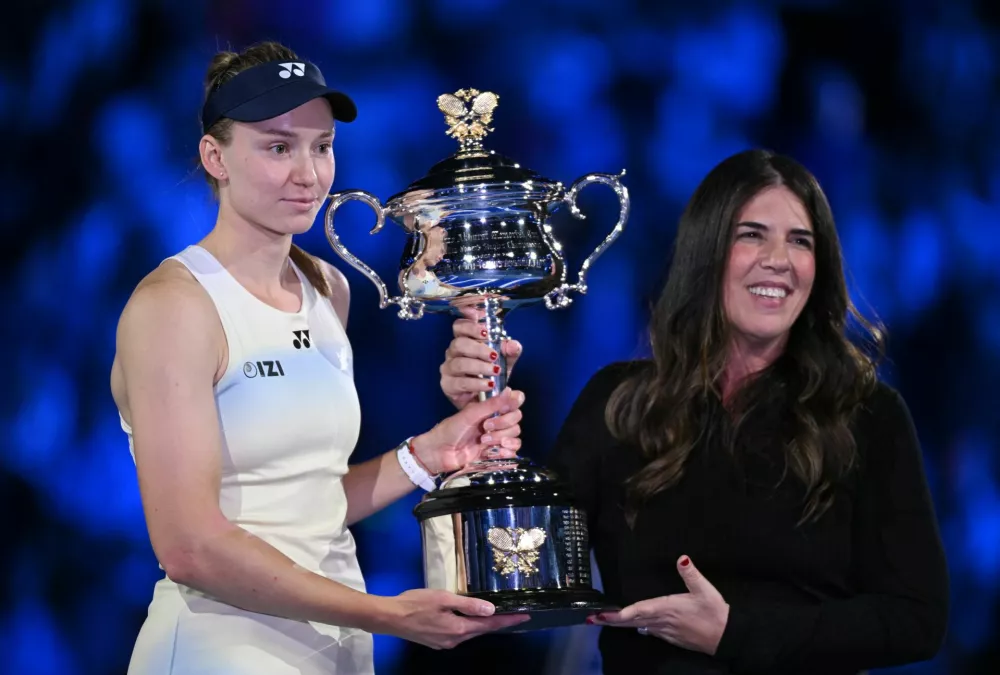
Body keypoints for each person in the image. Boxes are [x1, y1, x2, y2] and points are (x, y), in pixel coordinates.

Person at [439, 149, 949, 674]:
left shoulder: (866, 415)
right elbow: (519, 577)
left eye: (800, 240)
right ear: (706, 252)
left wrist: (735, 633)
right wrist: (480, 430)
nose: (778, 258)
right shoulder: (619, 405)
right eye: (751, 234)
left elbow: (916, 619)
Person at [110, 41, 529, 675]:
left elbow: (308, 499)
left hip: (334, 648)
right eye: (278, 147)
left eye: (321, 146)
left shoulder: (328, 289)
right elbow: (190, 548)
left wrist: (428, 455)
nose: (308, 173)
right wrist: (386, 615)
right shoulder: (174, 306)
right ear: (214, 156)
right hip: (219, 651)